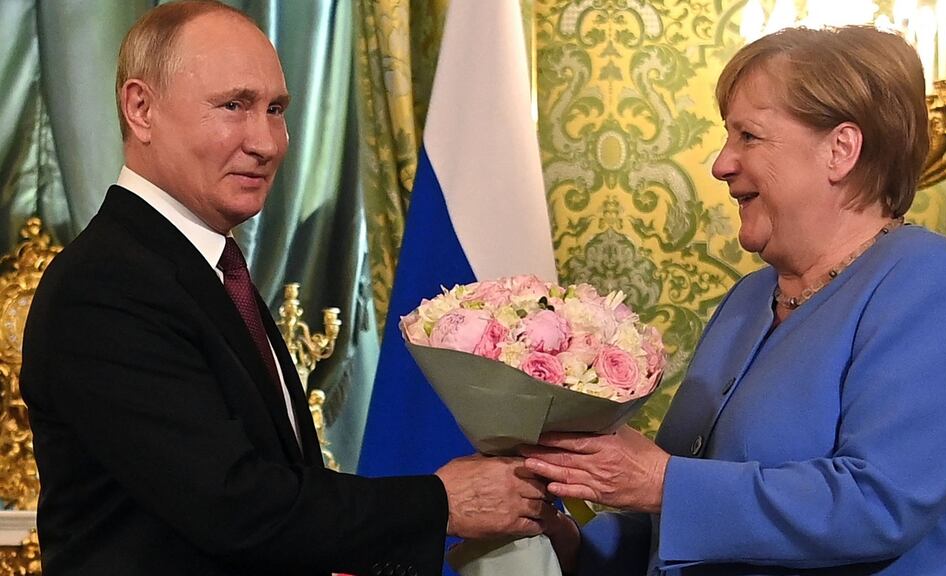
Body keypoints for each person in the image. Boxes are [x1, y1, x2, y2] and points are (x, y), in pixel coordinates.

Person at [21, 2, 550, 575]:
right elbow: (231, 505)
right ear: (140, 108)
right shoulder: (108, 285)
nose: (268, 142)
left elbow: (272, 485)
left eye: (275, 109)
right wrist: (443, 502)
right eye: (234, 106)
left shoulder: (205, 268)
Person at [524, 25, 946, 575]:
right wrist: (573, 544)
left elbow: (881, 504)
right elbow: (695, 525)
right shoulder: (749, 298)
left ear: (840, 150)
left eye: (748, 136)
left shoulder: (928, 278)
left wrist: (660, 482)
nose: (721, 163)